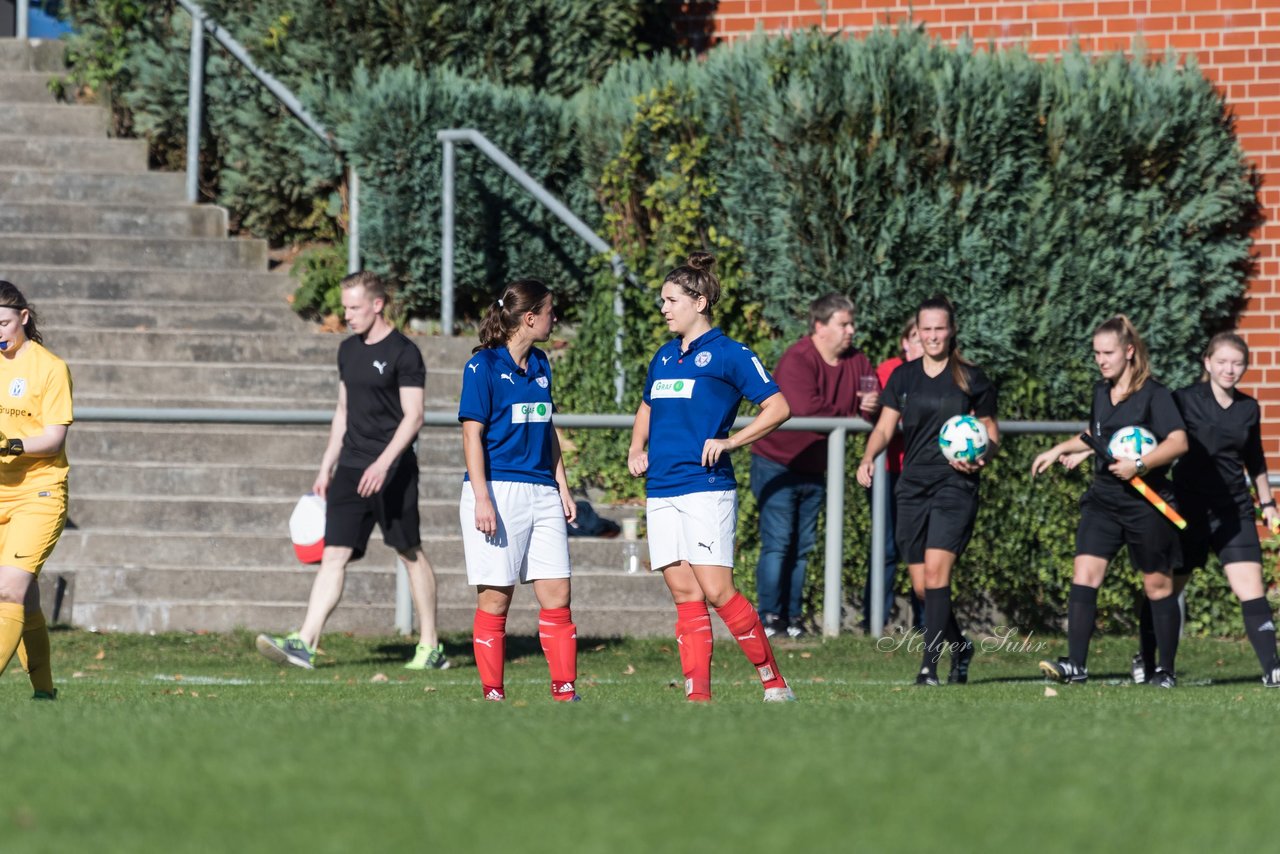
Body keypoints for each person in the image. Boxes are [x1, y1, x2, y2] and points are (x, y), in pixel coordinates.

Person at [627, 252, 796, 702]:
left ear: (699, 302)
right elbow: (648, 405)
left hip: (705, 488)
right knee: (684, 592)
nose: (663, 309)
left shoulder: (731, 354)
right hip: (661, 487)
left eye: (671, 300)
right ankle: (697, 697)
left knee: (718, 590)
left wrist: (732, 442)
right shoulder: (664, 355)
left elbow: (778, 407)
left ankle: (775, 683)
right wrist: (635, 447)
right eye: (662, 300)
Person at [257, 272, 446, 671]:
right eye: (345, 307)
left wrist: (383, 463)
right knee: (334, 555)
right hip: (350, 469)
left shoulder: (404, 353)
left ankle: (430, 646)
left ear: (377, 305)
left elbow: (414, 417)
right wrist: (327, 464)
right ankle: (305, 643)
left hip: (392, 470)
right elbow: (343, 411)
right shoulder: (348, 351)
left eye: (355, 307)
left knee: (409, 552)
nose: (347, 315)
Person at [1031, 316, 1188, 687]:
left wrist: (1139, 464)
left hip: (1145, 503)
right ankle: (1076, 665)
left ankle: (1164, 669)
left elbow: (1178, 442)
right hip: (1103, 499)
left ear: (1129, 352)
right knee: (1084, 575)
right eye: (1096, 353)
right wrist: (1061, 450)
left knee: (1157, 586)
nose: (1101, 360)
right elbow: (1098, 433)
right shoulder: (1102, 392)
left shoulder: (1155, 395)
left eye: (1108, 353)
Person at [856, 296, 998, 686]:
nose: (933, 336)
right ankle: (961, 646)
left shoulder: (971, 377)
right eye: (926, 329)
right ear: (917, 332)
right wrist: (868, 457)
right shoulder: (903, 377)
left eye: (940, 328)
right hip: (911, 485)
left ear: (951, 330)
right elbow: (885, 428)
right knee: (922, 586)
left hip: (956, 484)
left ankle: (928, 667)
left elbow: (991, 432)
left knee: (937, 573)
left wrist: (982, 454)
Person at [1130, 333, 1280, 686]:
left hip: (1234, 513)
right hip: (1186, 513)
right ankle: (1148, 660)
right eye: (1223, 361)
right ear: (1207, 363)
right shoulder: (1182, 400)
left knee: (1251, 587)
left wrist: (1268, 504)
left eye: (1238, 363)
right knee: (1165, 590)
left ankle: (1272, 668)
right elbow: (1151, 440)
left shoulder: (1248, 408)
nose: (1230, 369)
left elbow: (1255, 461)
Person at [459, 279, 579, 702]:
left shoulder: (542, 364)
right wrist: (482, 497)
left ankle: (566, 694)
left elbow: (547, 431)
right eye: (550, 311)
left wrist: (562, 487)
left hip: (542, 490)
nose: (554, 318)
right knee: (496, 600)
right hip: (497, 490)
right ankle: (494, 695)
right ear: (530, 318)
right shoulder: (482, 368)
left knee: (558, 595)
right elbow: (471, 436)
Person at [748, 294, 878, 639]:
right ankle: (769, 618)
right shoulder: (798, 358)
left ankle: (792, 619)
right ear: (820, 326)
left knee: (803, 547)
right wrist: (853, 410)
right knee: (778, 542)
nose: (851, 330)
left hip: (816, 468)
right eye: (844, 323)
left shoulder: (857, 361)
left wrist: (864, 409)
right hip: (776, 462)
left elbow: (872, 403)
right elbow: (806, 410)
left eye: (852, 323)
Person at [0, 281, 72, 701]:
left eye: (3, 323)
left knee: (8, 589)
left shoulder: (50, 368)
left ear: (23, 317)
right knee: (24, 603)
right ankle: (45, 693)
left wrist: (9, 444)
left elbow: (53, 439)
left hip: (39, 493)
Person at [864, 317, 925, 633]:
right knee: (886, 547)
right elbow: (877, 415)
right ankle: (874, 620)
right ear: (904, 342)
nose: (922, 342)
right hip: (890, 472)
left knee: (925, 549)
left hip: (926, 472)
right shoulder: (890, 371)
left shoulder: (946, 372)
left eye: (929, 334)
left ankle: (928, 623)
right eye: (916, 336)